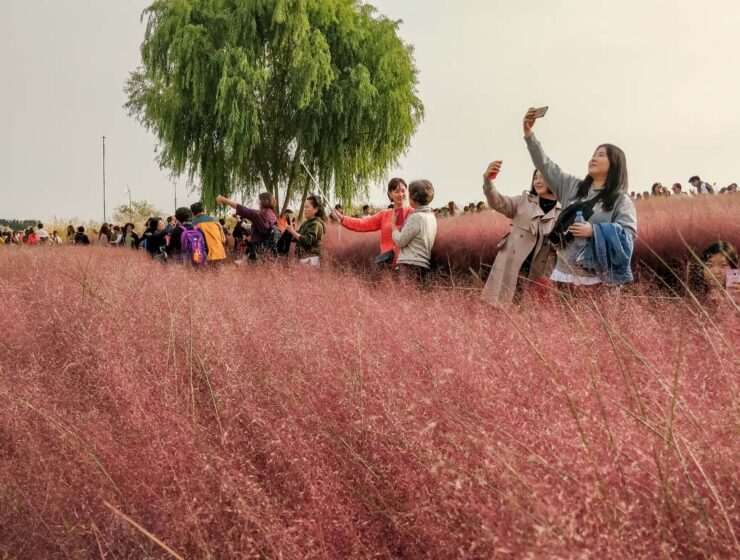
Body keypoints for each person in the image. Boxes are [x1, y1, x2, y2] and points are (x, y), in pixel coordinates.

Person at [523, 107, 637, 286]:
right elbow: (545, 166)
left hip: (598, 281)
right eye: (593, 155)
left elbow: (628, 235)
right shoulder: (572, 187)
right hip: (561, 277)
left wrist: (595, 231)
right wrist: (529, 134)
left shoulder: (621, 201)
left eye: (601, 155)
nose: (593, 158)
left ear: (615, 164)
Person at [481, 164, 561, 305]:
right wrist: (488, 181)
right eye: (535, 177)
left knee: (528, 314)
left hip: (539, 272)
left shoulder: (563, 211)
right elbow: (498, 201)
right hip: (511, 266)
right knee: (501, 308)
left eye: (542, 177)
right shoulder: (523, 201)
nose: (537, 181)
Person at [332, 178, 413, 267]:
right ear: (390, 194)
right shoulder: (384, 214)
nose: (401, 194)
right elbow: (363, 224)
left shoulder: (414, 213)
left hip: (406, 264)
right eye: (397, 191)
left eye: (403, 191)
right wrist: (343, 218)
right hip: (386, 262)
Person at [391, 179, 437, 282]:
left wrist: (393, 227)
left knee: (405, 296)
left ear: (413, 197)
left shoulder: (416, 217)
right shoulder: (432, 217)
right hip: (423, 264)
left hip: (409, 265)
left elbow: (400, 241)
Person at [215, 194, 276, 261]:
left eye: (260, 201)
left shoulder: (260, 215)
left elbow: (242, 209)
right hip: (267, 250)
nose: (259, 203)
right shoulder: (273, 215)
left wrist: (223, 199)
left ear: (264, 202)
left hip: (257, 251)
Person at [284, 194, 327, 265]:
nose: (305, 210)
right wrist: (291, 231)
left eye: (307, 207)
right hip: (304, 258)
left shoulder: (316, 224)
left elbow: (307, 240)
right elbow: (298, 237)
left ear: (316, 209)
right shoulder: (307, 223)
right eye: (304, 207)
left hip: (311, 259)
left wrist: (292, 231)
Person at [696, 241, 740, 306]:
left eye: (723, 265)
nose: (716, 271)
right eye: (709, 265)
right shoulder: (694, 298)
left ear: (734, 269)